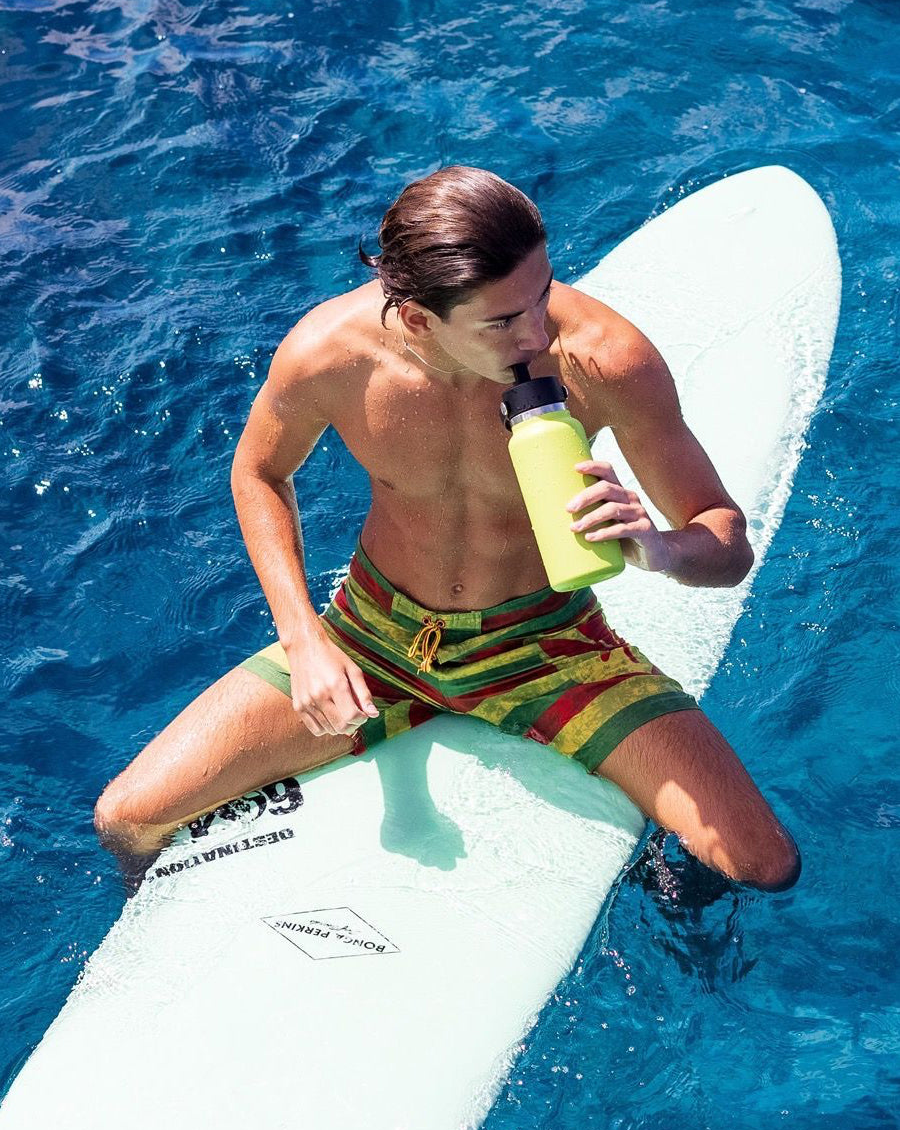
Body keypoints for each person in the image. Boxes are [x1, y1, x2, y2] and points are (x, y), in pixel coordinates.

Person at [94, 166, 800, 892]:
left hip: (548, 646)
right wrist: (304, 641)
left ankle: (650, 883)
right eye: (501, 321)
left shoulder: (601, 358)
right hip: (374, 639)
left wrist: (657, 548)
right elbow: (257, 473)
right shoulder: (330, 354)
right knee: (127, 817)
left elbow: (726, 542)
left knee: (763, 862)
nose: (537, 332)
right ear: (418, 319)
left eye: (542, 294)